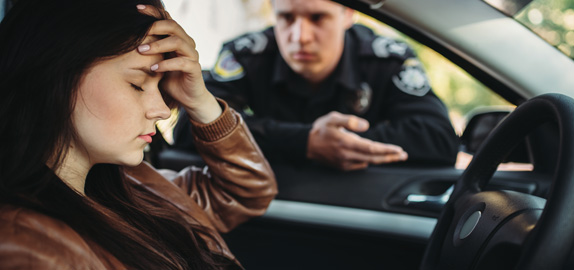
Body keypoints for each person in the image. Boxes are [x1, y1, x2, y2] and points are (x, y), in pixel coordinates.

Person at [0, 0, 277, 269]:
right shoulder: (28, 245)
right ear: (54, 75)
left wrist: (201, 101)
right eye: (136, 84)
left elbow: (247, 192)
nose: (162, 110)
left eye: (160, 86)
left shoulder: (134, 185)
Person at [172, 0, 459, 171]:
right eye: (286, 17)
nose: (300, 36)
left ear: (348, 14)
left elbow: (438, 138)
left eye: (317, 17)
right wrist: (304, 141)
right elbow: (189, 127)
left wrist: (339, 144)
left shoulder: (386, 58)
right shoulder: (246, 54)